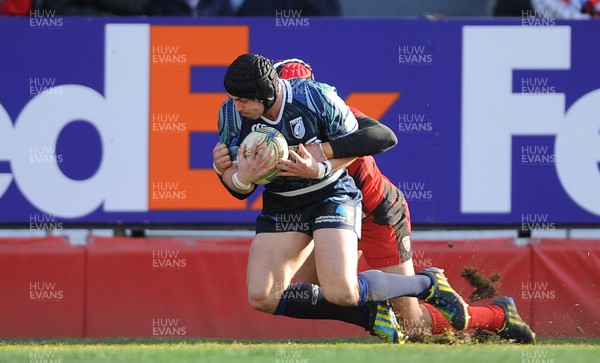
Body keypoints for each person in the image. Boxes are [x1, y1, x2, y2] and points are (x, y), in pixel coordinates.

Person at [271, 58, 536, 344]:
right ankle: (375, 309)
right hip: (332, 215)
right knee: (313, 286)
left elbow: (382, 135)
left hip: (375, 213)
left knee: (412, 325)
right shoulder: (268, 125)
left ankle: (497, 316)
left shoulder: (333, 111)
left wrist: (323, 150)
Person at [213, 53, 469, 344]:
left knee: (359, 300)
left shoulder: (317, 99)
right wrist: (235, 175)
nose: (236, 106)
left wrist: (319, 165)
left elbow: (375, 138)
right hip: (285, 204)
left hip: (359, 203)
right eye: (233, 98)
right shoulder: (233, 115)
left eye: (242, 99)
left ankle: (427, 284)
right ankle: (370, 315)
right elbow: (238, 189)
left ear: (267, 91)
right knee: (263, 295)